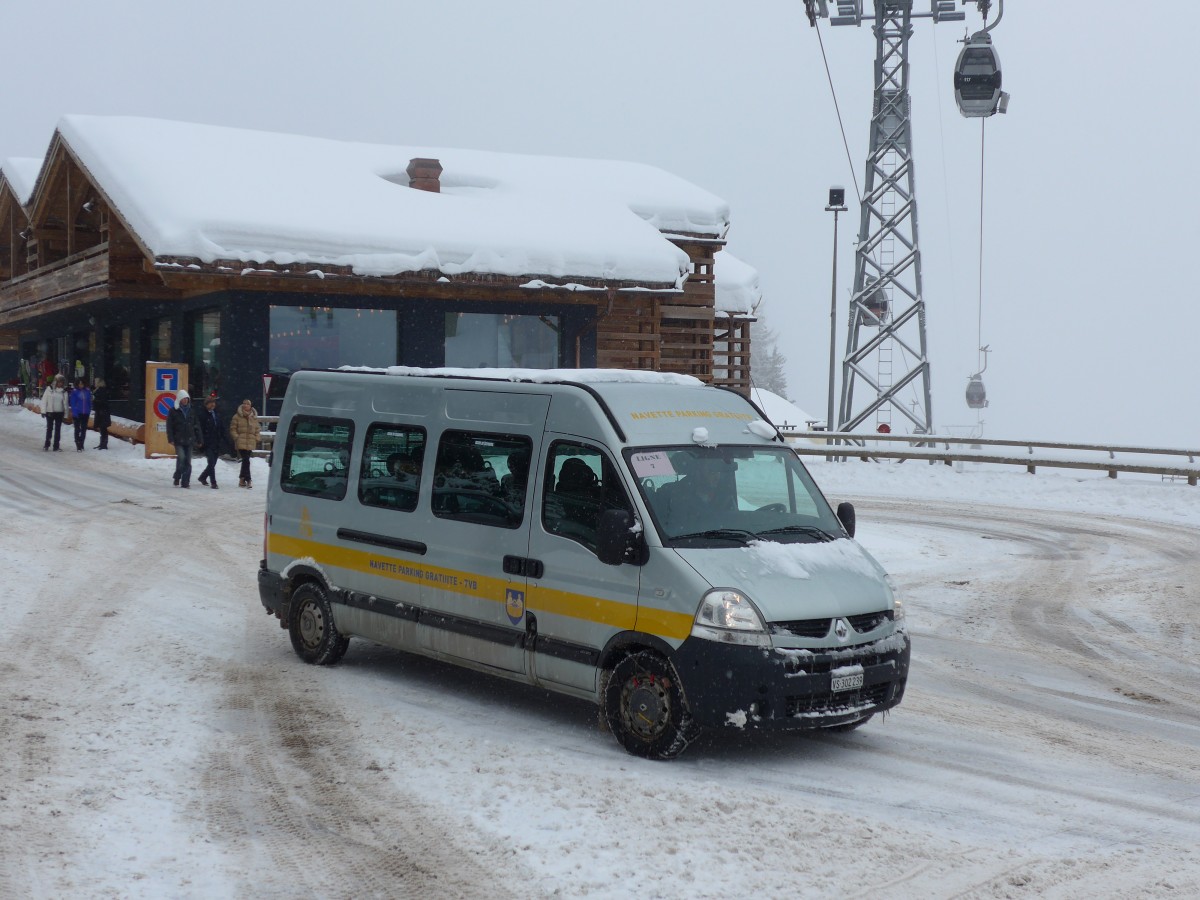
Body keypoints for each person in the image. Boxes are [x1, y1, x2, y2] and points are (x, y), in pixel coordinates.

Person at [166, 390, 202, 488]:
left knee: (188, 461)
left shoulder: (191, 410)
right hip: (179, 439)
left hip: (190, 439)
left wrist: (199, 439)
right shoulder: (173, 411)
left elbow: (196, 425)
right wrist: (171, 438)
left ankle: (185, 482)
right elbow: (169, 426)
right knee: (181, 458)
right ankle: (177, 476)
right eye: (183, 398)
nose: (185, 400)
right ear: (179, 399)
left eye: (187, 398)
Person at [230, 398, 261, 488]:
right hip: (241, 441)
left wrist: (257, 437)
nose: (245, 405)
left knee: (245, 461)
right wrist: (236, 437)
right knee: (246, 460)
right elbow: (233, 428)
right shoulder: (237, 416)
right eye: (244, 404)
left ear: (250, 406)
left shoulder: (253, 417)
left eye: (247, 404)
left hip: (251, 441)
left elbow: (257, 429)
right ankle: (249, 479)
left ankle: (241, 479)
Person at [196, 395, 224, 489]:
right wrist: (200, 440)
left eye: (214, 403)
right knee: (211, 462)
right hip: (207, 442)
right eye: (210, 403)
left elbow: (221, 427)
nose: (213, 404)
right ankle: (213, 482)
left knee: (213, 462)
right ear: (206, 404)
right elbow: (200, 429)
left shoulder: (216, 414)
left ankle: (203, 477)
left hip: (216, 441)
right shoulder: (202, 415)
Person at [40, 374, 69, 451]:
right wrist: (43, 411)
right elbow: (44, 401)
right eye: (59, 382)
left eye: (62, 382)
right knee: (49, 429)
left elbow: (65, 404)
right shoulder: (49, 389)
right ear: (55, 382)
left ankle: (56, 446)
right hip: (50, 412)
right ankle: (47, 444)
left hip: (59, 412)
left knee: (58, 430)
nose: (60, 384)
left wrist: (66, 415)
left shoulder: (64, 392)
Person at [69, 379, 93, 452]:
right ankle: (78, 443)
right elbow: (72, 403)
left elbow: (89, 402)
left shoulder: (87, 391)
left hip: (85, 413)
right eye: (79, 384)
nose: (80, 385)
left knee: (83, 429)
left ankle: (81, 443)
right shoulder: (74, 392)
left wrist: (89, 410)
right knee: (77, 429)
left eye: (82, 384)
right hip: (77, 413)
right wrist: (74, 412)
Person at [92, 378, 112, 449]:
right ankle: (103, 443)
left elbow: (102, 401)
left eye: (95, 382)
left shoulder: (100, 391)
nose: (94, 383)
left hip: (102, 411)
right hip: (102, 411)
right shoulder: (101, 390)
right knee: (102, 428)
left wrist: (96, 402)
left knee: (103, 428)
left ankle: (103, 444)